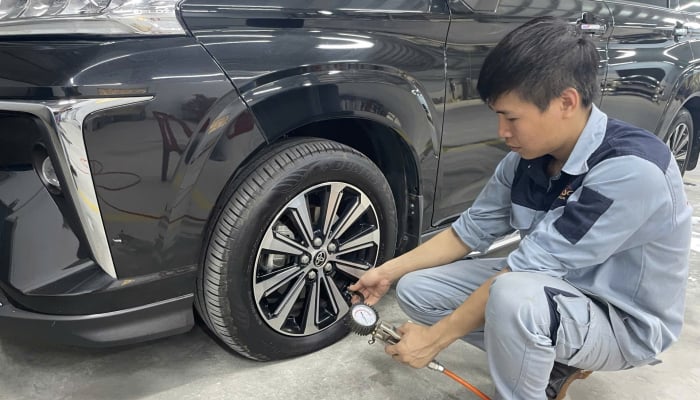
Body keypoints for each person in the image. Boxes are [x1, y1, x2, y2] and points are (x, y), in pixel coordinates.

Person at [348, 16, 692, 400]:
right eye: (498, 116)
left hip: (618, 317)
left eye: (512, 117)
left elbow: (524, 269)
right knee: (418, 290)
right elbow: (469, 232)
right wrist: (387, 272)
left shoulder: (630, 169)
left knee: (513, 298)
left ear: (566, 102)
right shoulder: (526, 160)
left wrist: (434, 340)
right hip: (550, 285)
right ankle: (550, 358)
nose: (502, 132)